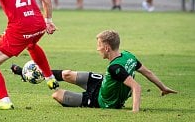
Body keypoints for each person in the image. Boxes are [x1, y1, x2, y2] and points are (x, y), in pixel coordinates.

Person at [11, 30, 177, 112]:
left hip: (100, 100)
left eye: (98, 46)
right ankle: (26, 74)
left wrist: (135, 112)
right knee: (67, 73)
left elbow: (136, 87)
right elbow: (147, 72)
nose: (97, 49)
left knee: (56, 94)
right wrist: (163, 87)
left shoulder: (115, 68)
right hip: (102, 82)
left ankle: (31, 75)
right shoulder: (127, 55)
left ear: (106, 47)